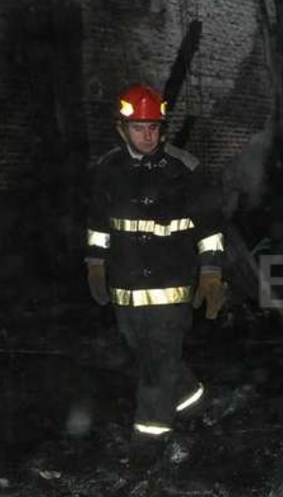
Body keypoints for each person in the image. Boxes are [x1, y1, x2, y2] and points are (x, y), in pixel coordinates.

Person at [84, 83, 226, 450]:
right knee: (144, 353)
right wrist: (95, 262)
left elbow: (210, 229)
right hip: (125, 287)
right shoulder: (107, 169)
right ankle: (194, 400)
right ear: (122, 128)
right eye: (139, 128)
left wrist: (211, 271)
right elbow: (98, 223)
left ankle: (149, 440)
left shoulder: (185, 169)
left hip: (172, 285)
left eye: (154, 127)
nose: (148, 136)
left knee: (156, 364)